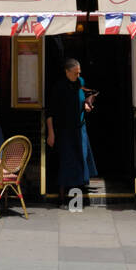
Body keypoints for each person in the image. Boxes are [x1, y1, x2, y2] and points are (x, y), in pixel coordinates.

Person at [46, 57, 97, 207]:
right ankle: (62, 198)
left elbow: (89, 95)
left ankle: (77, 199)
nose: (78, 76)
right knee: (66, 162)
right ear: (67, 72)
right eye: (75, 73)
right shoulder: (59, 87)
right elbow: (50, 112)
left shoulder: (80, 82)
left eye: (79, 73)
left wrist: (88, 104)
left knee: (81, 161)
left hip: (80, 128)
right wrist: (51, 133)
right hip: (64, 130)